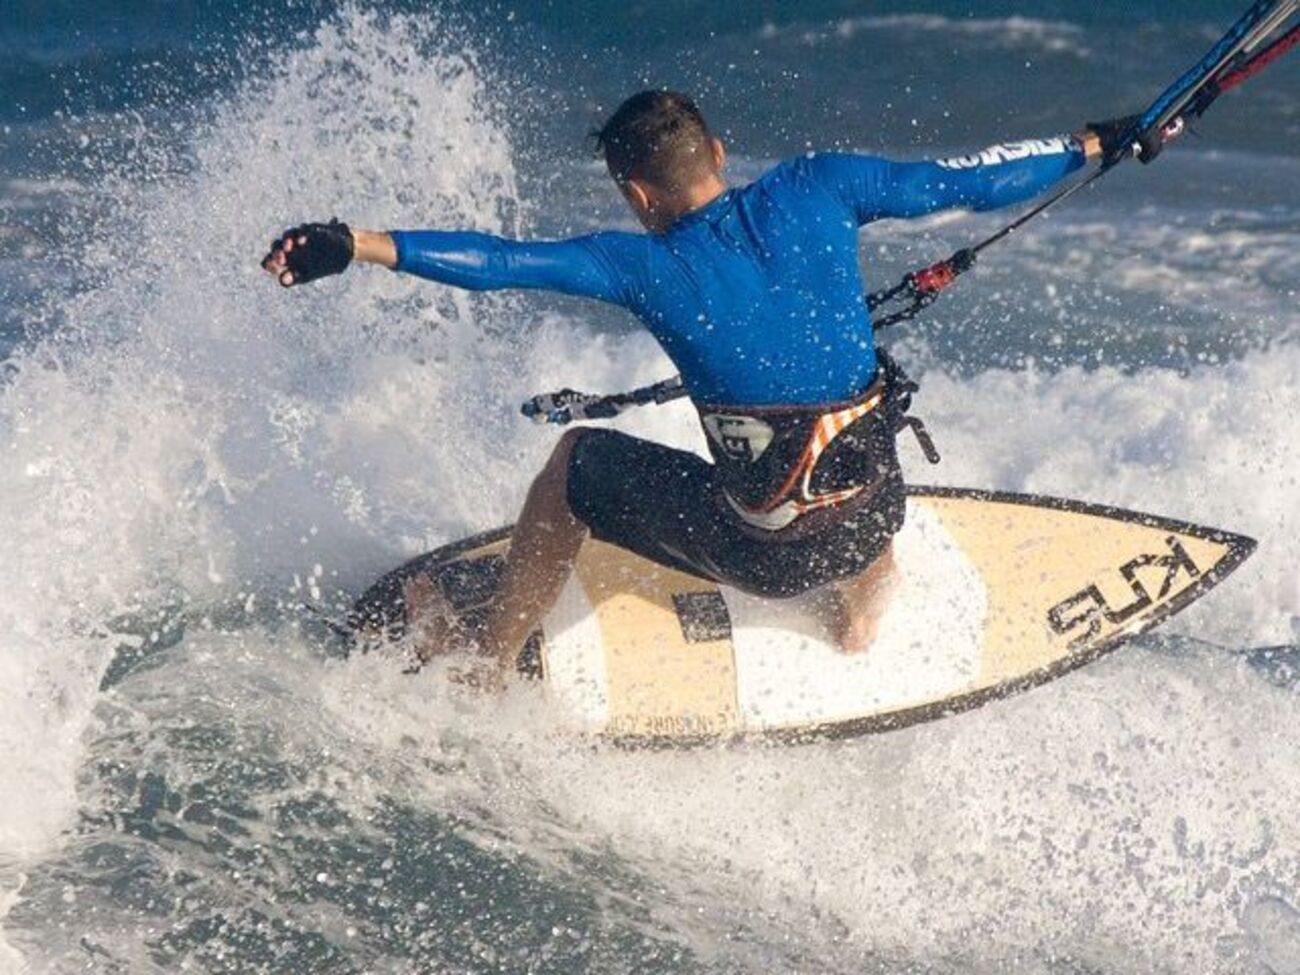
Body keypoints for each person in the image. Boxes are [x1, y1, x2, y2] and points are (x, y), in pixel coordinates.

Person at [262, 90, 1135, 679]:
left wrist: (360, 242)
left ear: (637, 194)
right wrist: (1093, 143)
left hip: (767, 554)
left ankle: (489, 662)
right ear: (717, 152)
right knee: (851, 443)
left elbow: (500, 264)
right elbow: (967, 180)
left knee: (573, 466)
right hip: (878, 512)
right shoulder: (819, 185)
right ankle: (863, 612)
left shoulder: (638, 263)